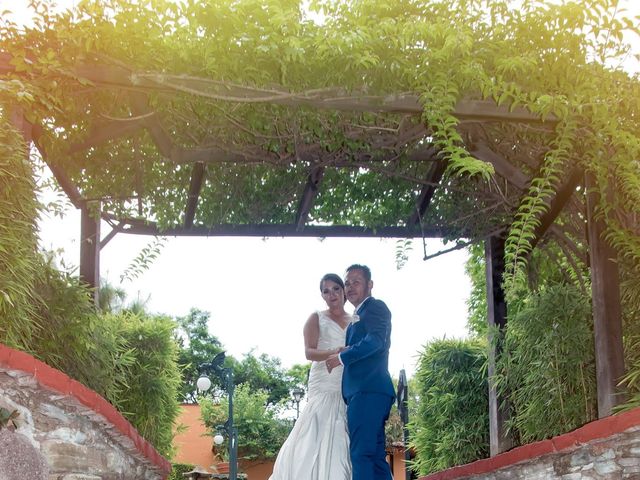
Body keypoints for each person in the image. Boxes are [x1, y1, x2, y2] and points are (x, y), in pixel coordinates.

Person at [269, 273, 353, 480]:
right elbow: (309, 352)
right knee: (316, 428)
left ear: (343, 291)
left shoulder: (356, 320)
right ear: (322, 295)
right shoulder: (316, 317)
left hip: (348, 383)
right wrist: (337, 351)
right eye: (326, 290)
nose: (331, 294)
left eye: (335, 289)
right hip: (324, 380)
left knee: (343, 434)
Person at [326, 264, 395, 480]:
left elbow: (375, 341)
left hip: (368, 390)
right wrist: (346, 349)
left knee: (361, 454)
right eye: (347, 283)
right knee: (373, 456)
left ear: (370, 285)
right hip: (367, 392)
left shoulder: (375, 307)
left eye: (356, 281)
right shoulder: (360, 314)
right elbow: (368, 343)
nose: (350, 287)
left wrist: (341, 357)